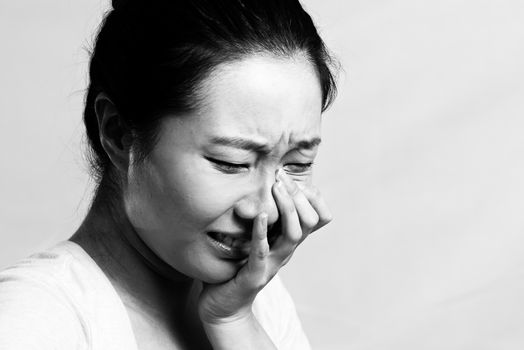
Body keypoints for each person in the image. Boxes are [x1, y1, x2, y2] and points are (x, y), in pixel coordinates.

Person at [0, 0, 337, 348]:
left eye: (297, 164)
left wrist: (234, 321)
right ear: (118, 132)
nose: (265, 209)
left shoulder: (258, 300)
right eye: (231, 162)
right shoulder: (35, 321)